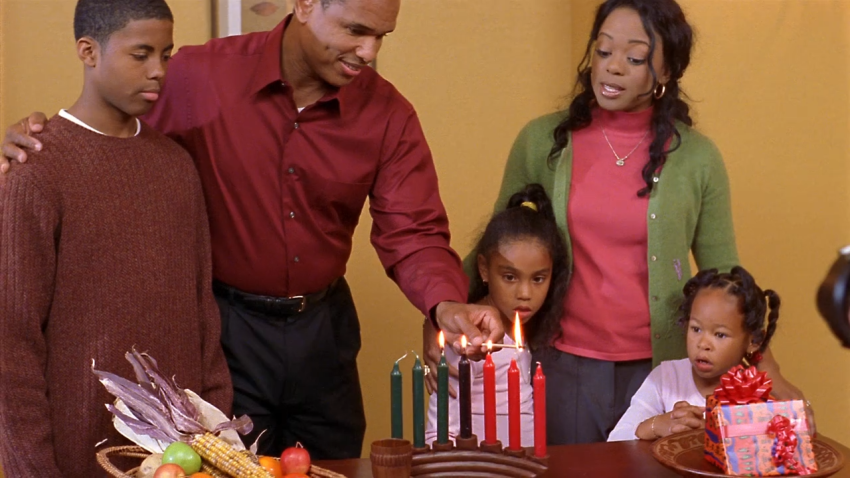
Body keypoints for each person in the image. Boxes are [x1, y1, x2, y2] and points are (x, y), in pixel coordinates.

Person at [0, 0, 503, 459]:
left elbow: (413, 230)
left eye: (381, 37)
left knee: (329, 467)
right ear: (305, 5)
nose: (368, 51)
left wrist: (445, 303)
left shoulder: (388, 113)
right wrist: (31, 141)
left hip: (322, 336)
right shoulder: (195, 74)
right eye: (355, 30)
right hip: (228, 332)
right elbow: (105, 116)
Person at [424, 0, 801, 444]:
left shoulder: (699, 159)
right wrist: (439, 315)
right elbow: (497, 246)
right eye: (603, 52)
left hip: (658, 373)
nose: (613, 68)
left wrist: (769, 371)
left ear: (665, 70)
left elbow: (728, 278)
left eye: (635, 57)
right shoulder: (542, 142)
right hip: (560, 362)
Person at [0, 1, 233, 477]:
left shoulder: (175, 165)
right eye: (141, 54)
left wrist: (216, 429)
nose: (158, 72)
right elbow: (12, 344)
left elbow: (202, 313)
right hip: (75, 452)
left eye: (166, 55)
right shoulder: (35, 173)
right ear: (88, 51)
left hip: (184, 456)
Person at [425, 184, 568, 446]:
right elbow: (442, 423)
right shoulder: (468, 336)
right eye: (510, 277)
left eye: (538, 278)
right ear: (483, 268)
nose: (525, 293)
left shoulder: (527, 331)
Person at [608, 266, 781, 441]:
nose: (703, 344)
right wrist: (657, 425)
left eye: (720, 334)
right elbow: (615, 440)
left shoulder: (759, 394)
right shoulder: (667, 378)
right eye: (696, 329)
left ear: (754, 341)